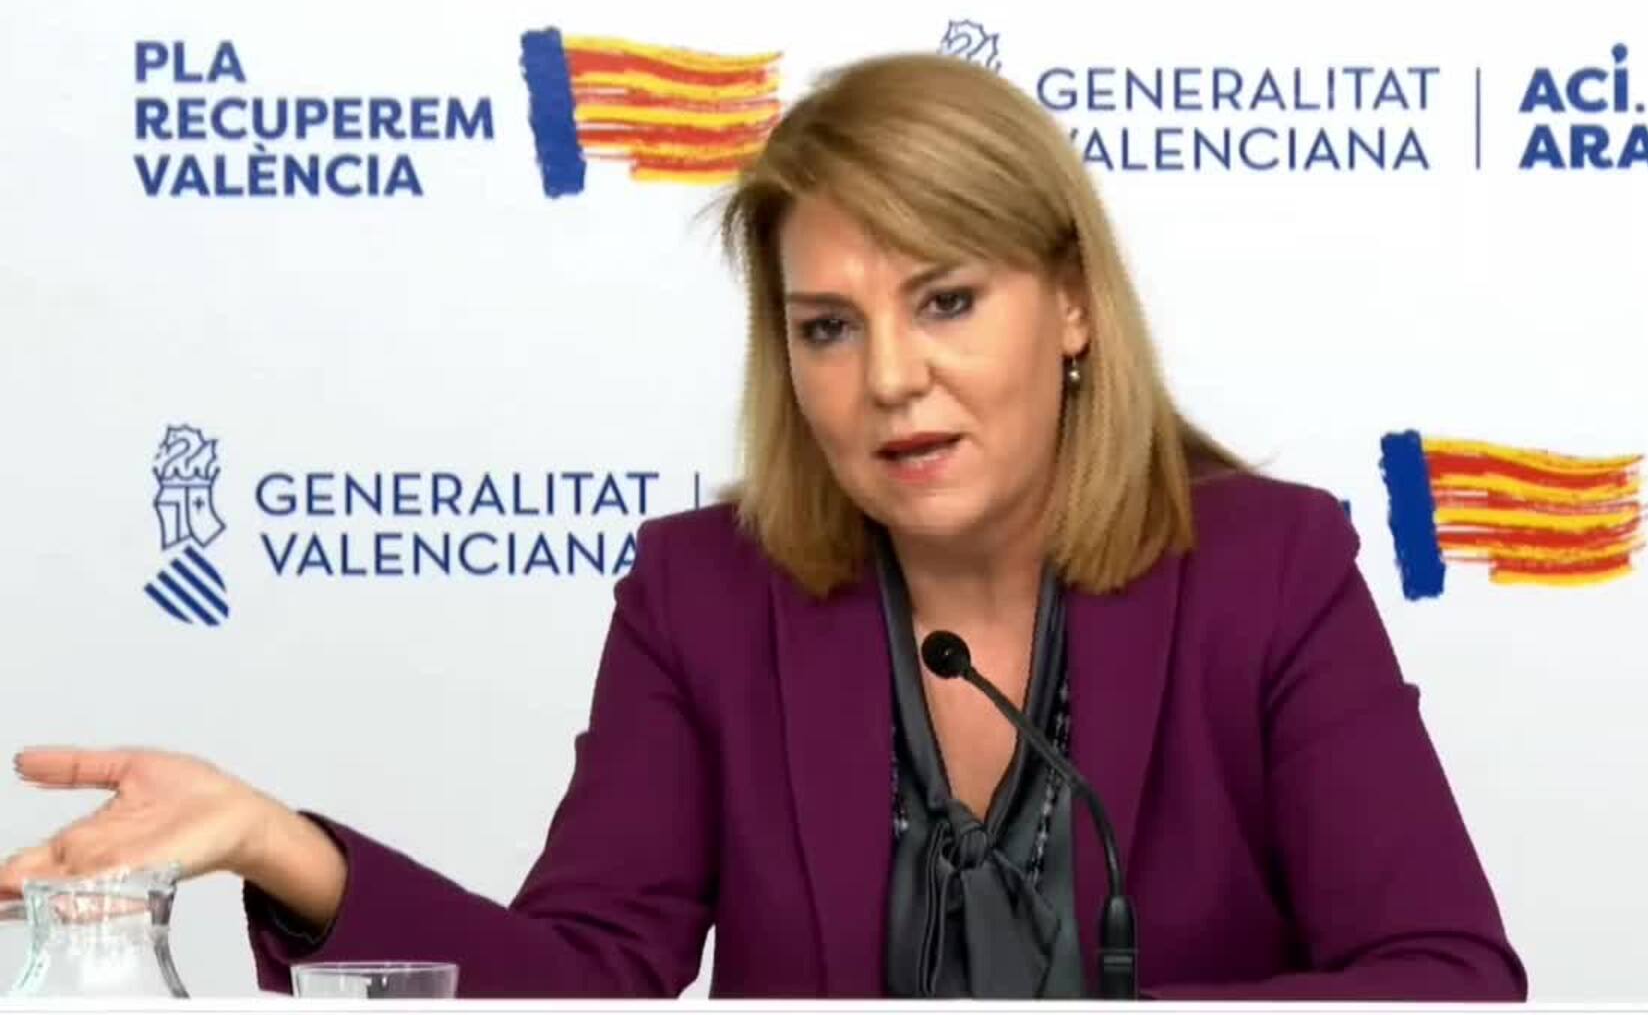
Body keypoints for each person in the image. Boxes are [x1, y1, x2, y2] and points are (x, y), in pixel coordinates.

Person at [0, 53, 1526, 1001]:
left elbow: (1445, 981)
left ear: (1071, 303)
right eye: (827, 327)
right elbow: (587, 979)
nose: (891, 378)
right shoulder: (705, 597)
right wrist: (280, 845)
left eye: (946, 300)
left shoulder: (1269, 571)